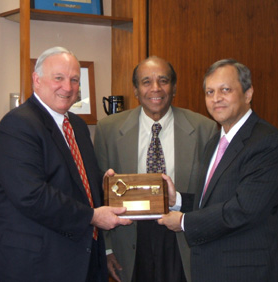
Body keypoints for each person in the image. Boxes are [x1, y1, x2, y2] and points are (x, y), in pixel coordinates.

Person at [0, 46, 131, 282]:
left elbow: (77, 179)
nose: (68, 87)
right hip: (36, 267)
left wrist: (104, 183)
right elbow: (32, 196)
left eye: (74, 80)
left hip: (81, 261)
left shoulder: (77, 125)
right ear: (37, 80)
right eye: (59, 78)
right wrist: (92, 217)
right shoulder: (17, 126)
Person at [158, 59, 278, 281]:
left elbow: (244, 209)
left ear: (248, 94)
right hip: (212, 270)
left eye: (225, 90)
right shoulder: (215, 142)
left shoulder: (267, 141)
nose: (216, 98)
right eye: (209, 92)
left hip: (248, 273)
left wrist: (183, 222)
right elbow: (215, 201)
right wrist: (178, 200)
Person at [94, 56, 218, 282]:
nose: (155, 88)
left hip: (180, 238)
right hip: (130, 238)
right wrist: (108, 249)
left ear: (174, 88)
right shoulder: (108, 130)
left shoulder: (204, 129)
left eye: (163, 80)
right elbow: (98, 194)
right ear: (135, 90)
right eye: (146, 82)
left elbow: (210, 196)